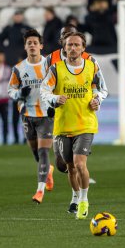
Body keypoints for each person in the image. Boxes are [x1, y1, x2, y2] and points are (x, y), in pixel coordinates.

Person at [41, 32, 108, 219]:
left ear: (83, 48)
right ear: (64, 48)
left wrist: (98, 100)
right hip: (63, 125)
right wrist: (54, 98)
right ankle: (76, 197)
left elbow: (103, 89)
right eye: (69, 45)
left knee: (80, 164)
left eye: (76, 45)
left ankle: (85, 199)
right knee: (69, 167)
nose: (73, 48)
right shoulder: (56, 69)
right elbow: (44, 89)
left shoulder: (92, 66)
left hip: (86, 123)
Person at [8, 29, 54, 204]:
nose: (32, 45)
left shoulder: (50, 66)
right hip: (28, 115)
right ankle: (48, 171)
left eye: (35, 43)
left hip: (46, 116)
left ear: (41, 46)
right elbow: (10, 91)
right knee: (36, 153)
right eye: (29, 43)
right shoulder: (19, 69)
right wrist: (20, 93)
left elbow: (58, 87)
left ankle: (39, 190)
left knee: (43, 152)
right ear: (25, 46)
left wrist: (54, 106)